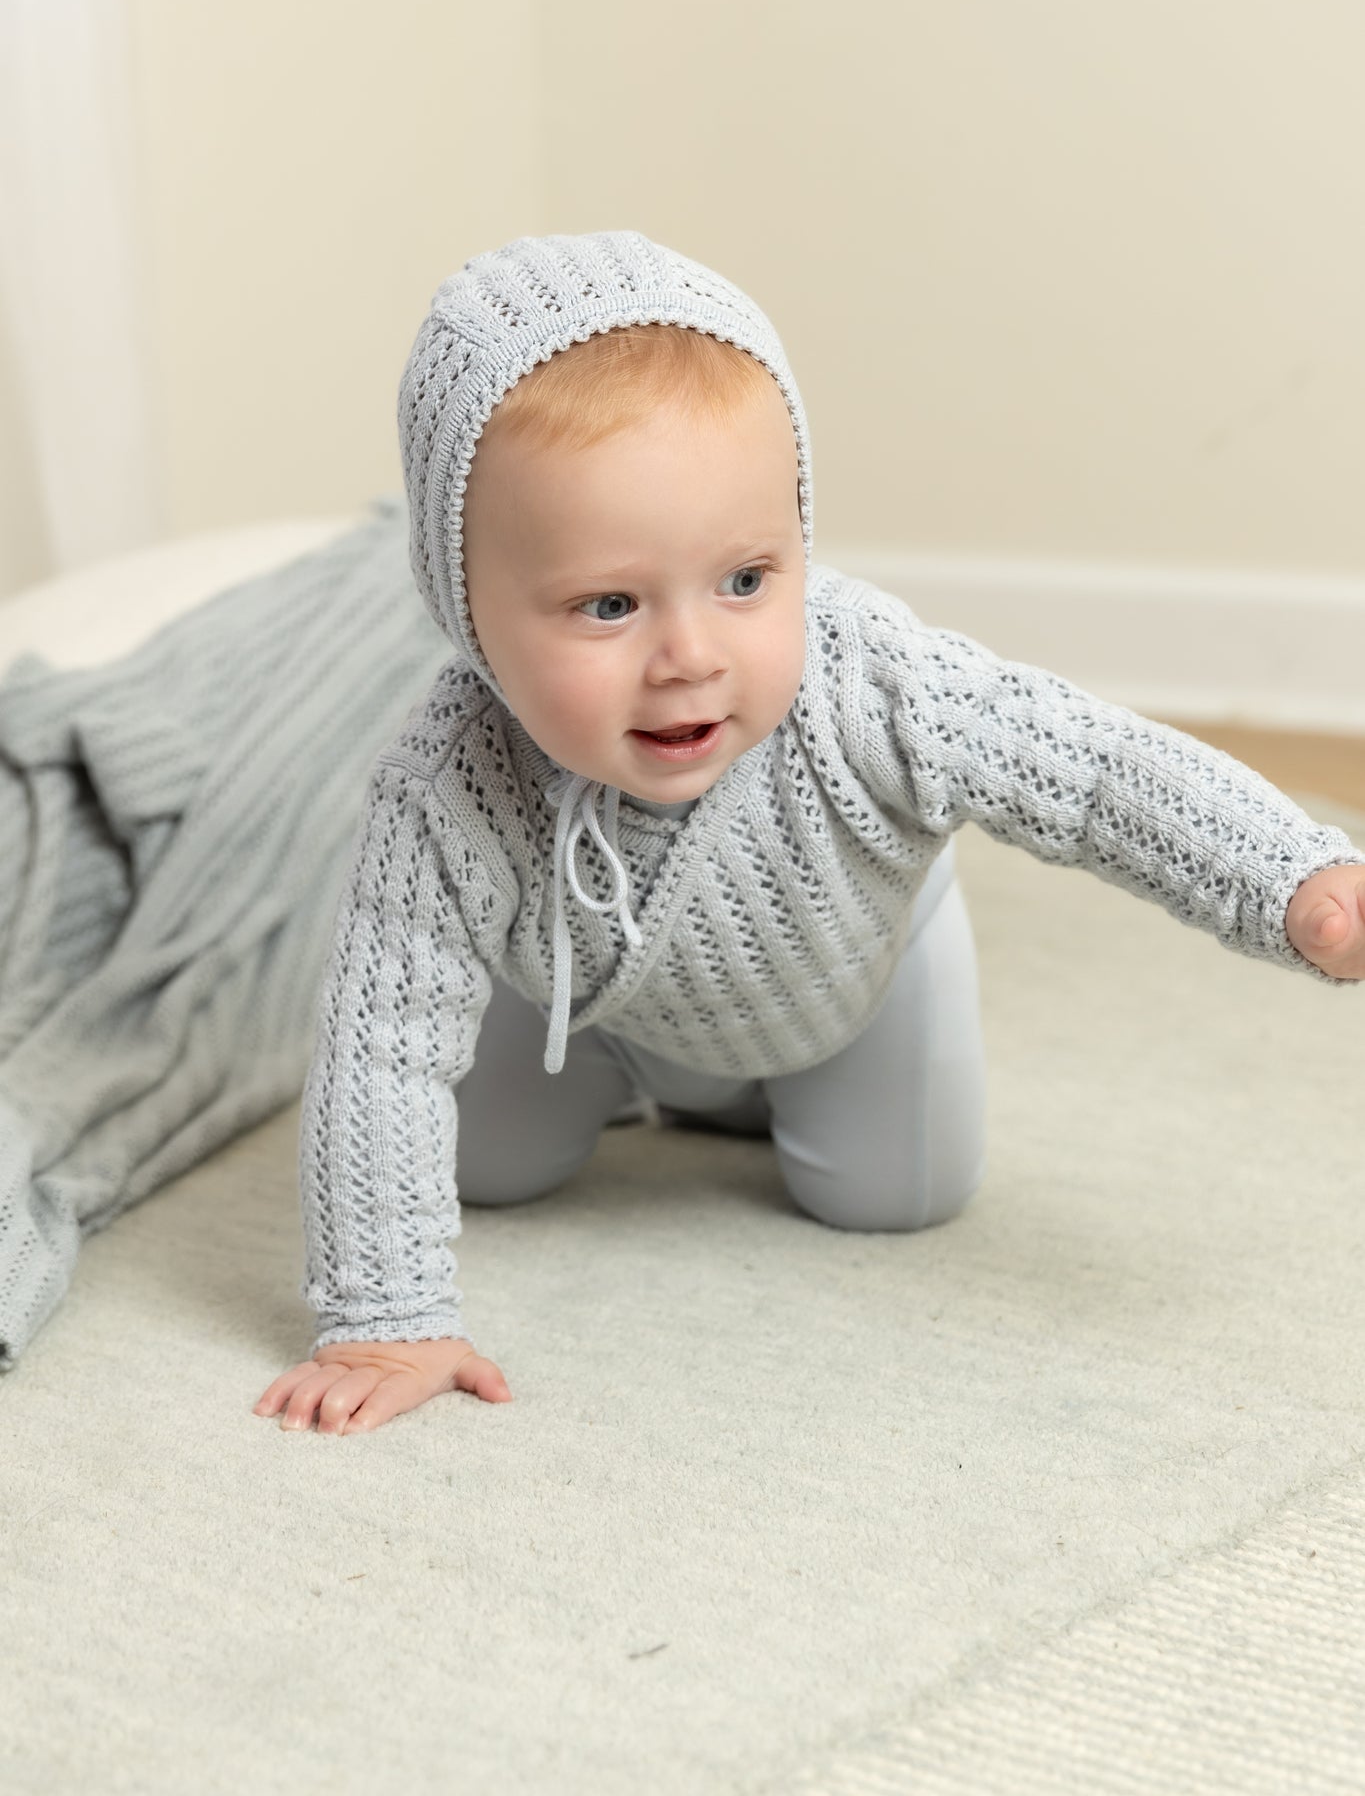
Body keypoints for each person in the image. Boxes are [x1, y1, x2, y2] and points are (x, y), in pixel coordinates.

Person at [253, 229, 1365, 1439]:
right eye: (610, 604)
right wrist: (387, 1315)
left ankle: (771, 1086)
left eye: (744, 579)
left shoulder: (870, 679)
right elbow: (379, 1041)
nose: (690, 655)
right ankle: (647, 1083)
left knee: (896, 1195)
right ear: (464, 605)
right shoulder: (447, 781)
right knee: (486, 1166)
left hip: (852, 979)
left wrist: (1290, 873)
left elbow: (1092, 771)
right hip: (589, 998)